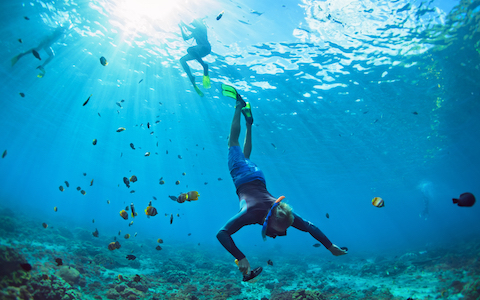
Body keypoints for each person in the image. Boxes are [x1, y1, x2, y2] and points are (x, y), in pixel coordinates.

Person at [217, 84, 348, 276]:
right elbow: (221, 233)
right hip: (244, 176)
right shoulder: (251, 212)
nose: (281, 234)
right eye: (278, 232)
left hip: (257, 175)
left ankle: (249, 124)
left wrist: (331, 247)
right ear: (267, 220)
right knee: (233, 143)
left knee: (245, 157)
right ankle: (238, 106)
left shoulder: (280, 214)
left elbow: (310, 227)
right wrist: (241, 256)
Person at [178, 19, 211, 97]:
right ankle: (190, 76)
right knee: (182, 60)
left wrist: (184, 24)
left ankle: (204, 65)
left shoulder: (202, 27)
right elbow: (186, 38)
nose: (194, 25)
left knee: (190, 49)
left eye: (194, 24)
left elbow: (190, 29)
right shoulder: (195, 31)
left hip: (205, 48)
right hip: (199, 52)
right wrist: (181, 28)